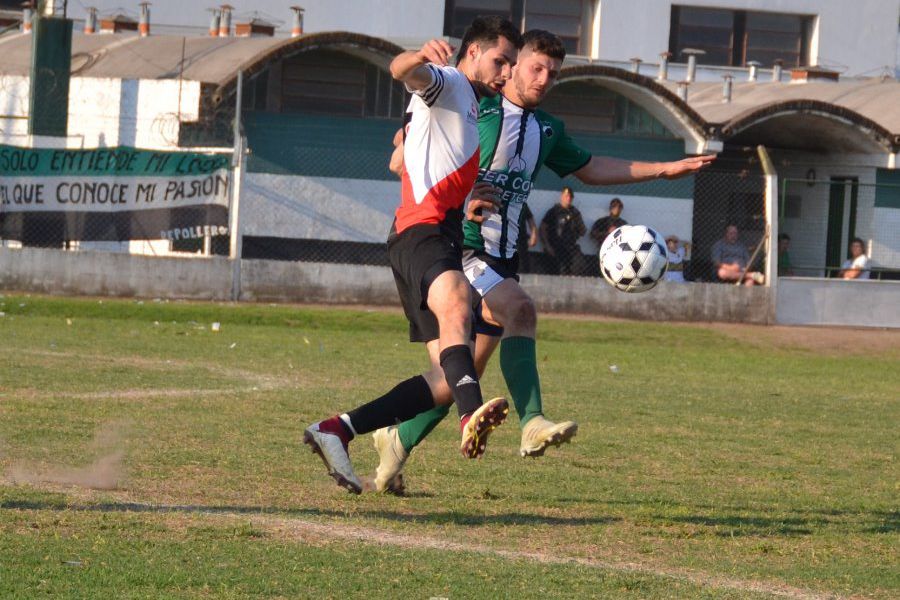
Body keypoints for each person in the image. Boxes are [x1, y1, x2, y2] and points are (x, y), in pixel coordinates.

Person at [371, 29, 715, 494]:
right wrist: (464, 191)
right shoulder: (474, 105)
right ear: (511, 64)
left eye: (553, 72)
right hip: (462, 247)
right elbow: (401, 155)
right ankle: (531, 422)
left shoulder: (546, 129)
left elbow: (591, 168)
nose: (543, 78)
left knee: (458, 379)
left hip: (504, 256)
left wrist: (664, 170)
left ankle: (396, 440)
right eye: (535, 67)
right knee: (522, 310)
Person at [303, 17, 523, 494]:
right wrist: (419, 57)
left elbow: (408, 158)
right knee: (459, 301)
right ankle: (471, 414)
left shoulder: (465, 105)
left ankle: (337, 429)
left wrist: (472, 195)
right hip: (419, 233)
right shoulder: (450, 83)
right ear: (472, 53)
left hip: (426, 236)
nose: (506, 73)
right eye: (500, 60)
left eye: (512, 64)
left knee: (444, 376)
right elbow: (401, 69)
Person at [539, 186, 587, 275]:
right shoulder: (554, 211)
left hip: (571, 247)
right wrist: (547, 246)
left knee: (581, 265)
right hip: (556, 246)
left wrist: (575, 221)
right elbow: (542, 228)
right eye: (566, 196)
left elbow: (583, 231)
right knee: (559, 269)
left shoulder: (575, 213)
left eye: (570, 196)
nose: (568, 198)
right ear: (561, 196)